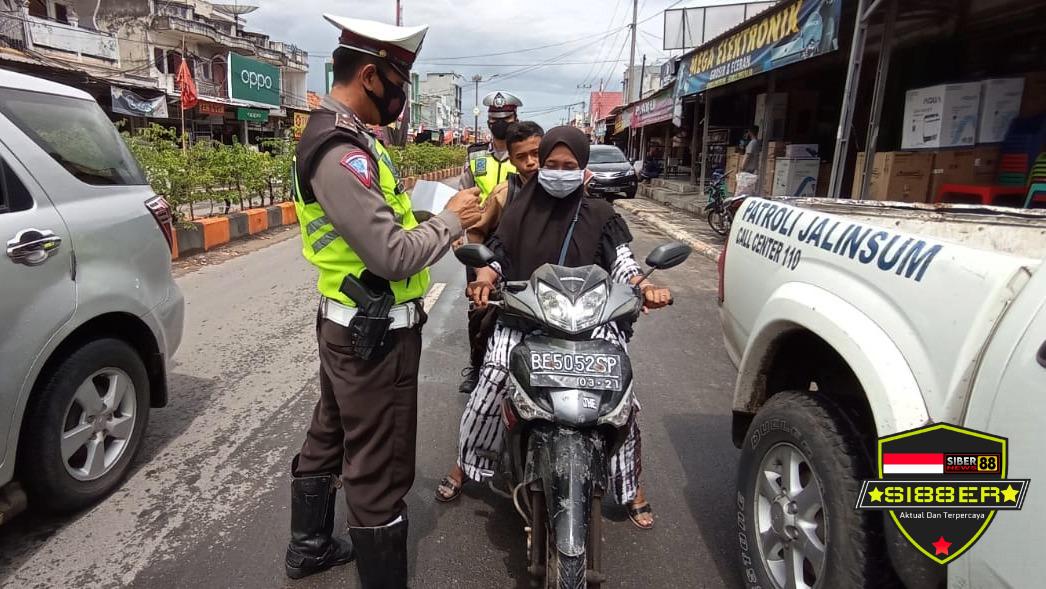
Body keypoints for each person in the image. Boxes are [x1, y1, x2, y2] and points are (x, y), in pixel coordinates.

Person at [284, 14, 481, 587]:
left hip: (346, 323)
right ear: (371, 77)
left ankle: (308, 548)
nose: (401, 99)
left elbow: (379, 224)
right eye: (399, 85)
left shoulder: (348, 137)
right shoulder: (339, 149)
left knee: (331, 432)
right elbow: (392, 255)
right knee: (380, 468)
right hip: (374, 337)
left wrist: (428, 219)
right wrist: (449, 221)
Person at [436, 126, 672, 531]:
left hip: (590, 322)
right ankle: (465, 464)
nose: (558, 172)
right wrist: (484, 279)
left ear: (583, 169)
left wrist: (645, 286)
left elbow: (624, 263)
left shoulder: (601, 214)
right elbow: (497, 258)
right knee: (491, 382)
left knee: (623, 401)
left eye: (569, 166)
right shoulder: (519, 211)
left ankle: (631, 486)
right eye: (552, 165)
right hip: (527, 318)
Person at [457, 91, 523, 394]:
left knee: (519, 303)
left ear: (515, 120)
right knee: (479, 306)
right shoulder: (475, 156)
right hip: (480, 240)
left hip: (517, 240)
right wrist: (458, 234)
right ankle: (477, 366)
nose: (499, 124)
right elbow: (463, 196)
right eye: (494, 120)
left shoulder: (524, 155)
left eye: (505, 119)